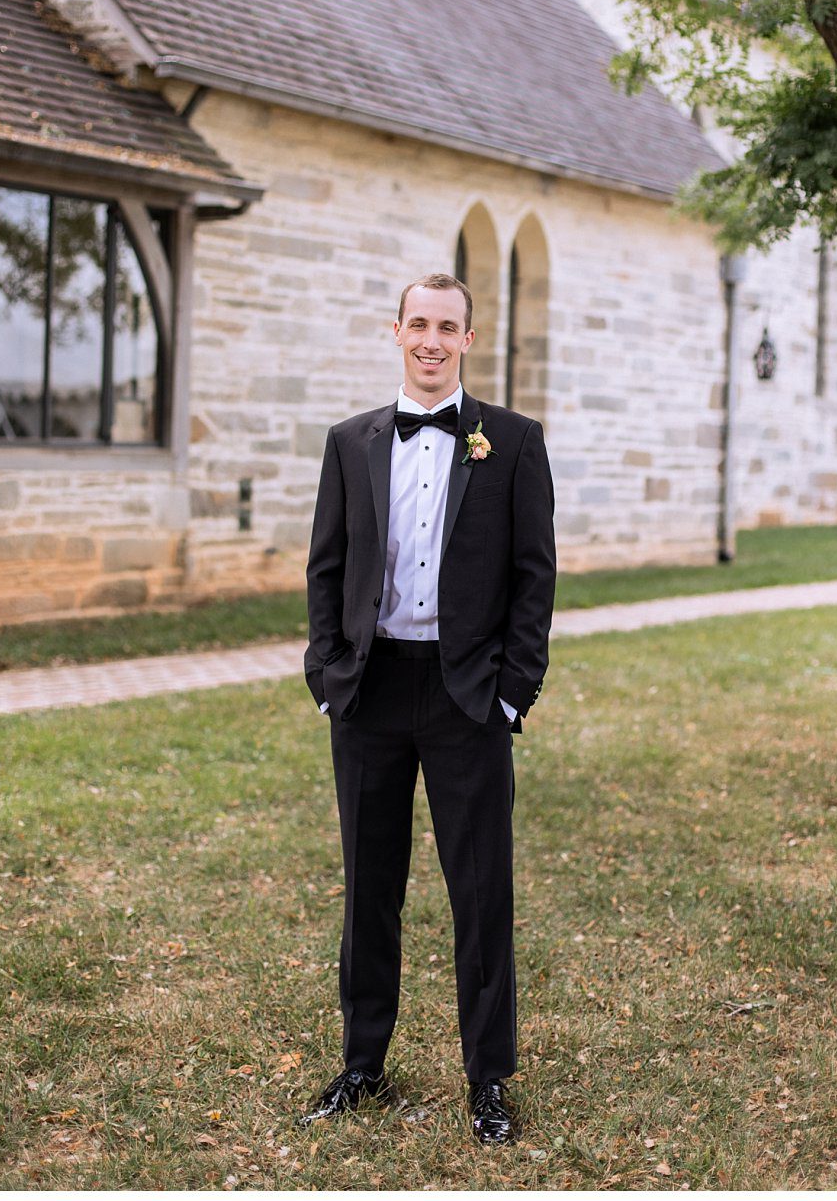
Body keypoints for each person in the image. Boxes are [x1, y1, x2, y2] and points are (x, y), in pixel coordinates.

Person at [299, 271, 556, 1145]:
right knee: (370, 888)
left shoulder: (512, 442)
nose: (432, 340)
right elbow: (325, 567)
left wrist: (512, 694)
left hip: (467, 699)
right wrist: (327, 672)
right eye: (418, 324)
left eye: (448, 327)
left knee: (479, 892)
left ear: (468, 341)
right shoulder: (349, 441)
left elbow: (533, 578)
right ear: (395, 331)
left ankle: (487, 1078)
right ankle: (362, 1063)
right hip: (369, 693)